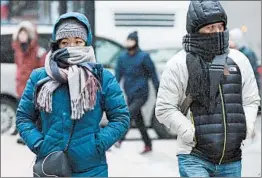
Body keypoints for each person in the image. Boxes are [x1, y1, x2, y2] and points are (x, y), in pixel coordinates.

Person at [16, 12, 130, 177]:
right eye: (65, 42)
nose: (72, 47)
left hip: (91, 169)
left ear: (86, 42)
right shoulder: (39, 77)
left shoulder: (102, 77)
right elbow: (23, 118)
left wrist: (97, 144)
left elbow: (121, 118)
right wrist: (40, 144)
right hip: (51, 167)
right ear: (57, 44)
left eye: (78, 42)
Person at [155, 1, 260, 177]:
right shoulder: (178, 64)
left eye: (220, 26)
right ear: (196, 30)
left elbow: (251, 100)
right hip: (194, 157)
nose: (217, 32)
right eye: (210, 28)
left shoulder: (239, 60)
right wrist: (191, 133)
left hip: (232, 159)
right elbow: (164, 108)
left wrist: (246, 127)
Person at [115, 31, 159, 154]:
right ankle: (148, 144)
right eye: (127, 40)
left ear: (136, 42)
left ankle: (119, 139)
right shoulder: (122, 57)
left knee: (129, 114)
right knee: (138, 120)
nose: (129, 43)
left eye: (131, 40)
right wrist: (111, 90)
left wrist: (158, 91)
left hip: (142, 93)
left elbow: (153, 75)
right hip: (130, 93)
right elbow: (118, 75)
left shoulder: (144, 57)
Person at [12, 21, 46, 144]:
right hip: (21, 85)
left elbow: (42, 68)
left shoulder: (38, 51)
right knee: (24, 112)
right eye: (20, 33)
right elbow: (19, 67)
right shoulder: (18, 50)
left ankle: (34, 136)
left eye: (25, 33)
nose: (22, 36)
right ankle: (24, 135)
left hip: (34, 86)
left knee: (34, 113)